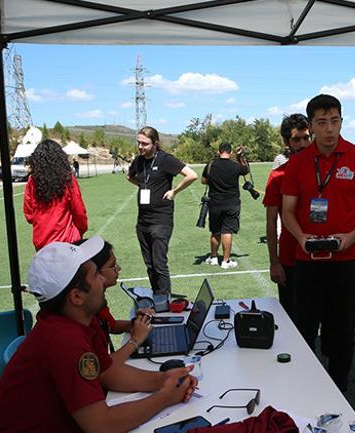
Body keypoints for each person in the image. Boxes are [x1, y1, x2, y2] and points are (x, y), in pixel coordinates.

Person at [0, 236, 198, 433]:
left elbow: (109, 373)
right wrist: (165, 397)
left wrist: (164, 379)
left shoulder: (69, 324)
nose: (102, 280)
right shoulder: (64, 340)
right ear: (77, 296)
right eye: (96, 274)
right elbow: (101, 425)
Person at [281, 94, 355, 392]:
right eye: (322, 122)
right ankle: (305, 384)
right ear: (311, 126)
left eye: (334, 121)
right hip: (308, 261)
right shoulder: (298, 163)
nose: (329, 129)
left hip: (348, 260)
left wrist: (348, 239)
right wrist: (302, 238)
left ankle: (339, 386)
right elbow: (287, 211)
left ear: (341, 121)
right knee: (305, 327)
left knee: (343, 328)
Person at [127, 126, 198, 295]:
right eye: (138, 143)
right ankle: (157, 296)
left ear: (155, 143)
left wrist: (174, 191)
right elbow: (130, 176)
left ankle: (164, 302)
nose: (140, 147)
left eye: (144, 143)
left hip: (161, 220)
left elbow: (192, 175)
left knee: (159, 263)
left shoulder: (165, 159)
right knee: (150, 264)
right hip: (142, 221)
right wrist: (144, 186)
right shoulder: (138, 160)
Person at [262, 114, 312, 321]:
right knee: (292, 320)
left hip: (324, 258)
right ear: (286, 142)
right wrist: (274, 262)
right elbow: (271, 222)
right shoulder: (277, 176)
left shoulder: (324, 171)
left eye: (306, 138)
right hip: (291, 257)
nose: (303, 144)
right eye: (297, 139)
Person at [77, 238, 155, 364]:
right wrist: (134, 341)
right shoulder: (82, 317)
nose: (118, 268)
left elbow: (110, 325)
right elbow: (104, 370)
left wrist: (136, 323)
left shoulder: (94, 301)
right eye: (112, 265)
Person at [24, 139, 88, 251]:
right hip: (67, 241)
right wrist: (80, 230)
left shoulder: (32, 181)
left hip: (42, 242)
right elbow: (79, 210)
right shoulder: (68, 179)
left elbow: (29, 215)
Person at [201, 142, 250, 269]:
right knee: (227, 231)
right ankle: (225, 261)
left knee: (215, 231)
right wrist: (240, 157)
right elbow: (246, 170)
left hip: (215, 203)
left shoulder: (211, 165)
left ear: (218, 152)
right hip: (231, 203)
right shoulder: (235, 166)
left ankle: (213, 257)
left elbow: (203, 181)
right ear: (231, 153)